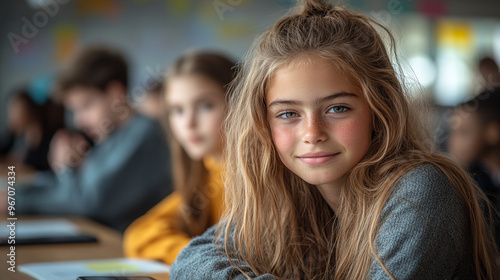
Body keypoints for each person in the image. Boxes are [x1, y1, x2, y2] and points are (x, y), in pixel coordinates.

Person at [170, 1, 500, 279]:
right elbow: (191, 259)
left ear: (378, 108)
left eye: (337, 108)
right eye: (288, 114)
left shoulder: (421, 191)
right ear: (262, 122)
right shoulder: (289, 191)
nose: (312, 133)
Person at [16, 47, 172, 232]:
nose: (78, 121)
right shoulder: (112, 137)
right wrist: (15, 195)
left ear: (116, 94)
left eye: (86, 106)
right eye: (74, 110)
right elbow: (76, 188)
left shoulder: (144, 135)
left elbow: (87, 204)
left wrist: (66, 167)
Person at [123, 51, 235, 264]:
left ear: (239, 104)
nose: (188, 123)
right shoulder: (208, 174)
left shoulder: (250, 179)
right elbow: (140, 234)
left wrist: (196, 257)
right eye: (178, 110)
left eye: (205, 106)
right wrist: (196, 256)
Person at [448, 88, 500, 252]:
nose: (452, 142)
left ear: (492, 133)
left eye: (463, 133)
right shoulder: (467, 182)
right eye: (452, 132)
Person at [2, 88, 64, 172]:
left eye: (15, 110)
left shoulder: (50, 138)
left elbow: (42, 168)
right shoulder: (16, 135)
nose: (11, 116)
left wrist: (16, 163)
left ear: (30, 110)